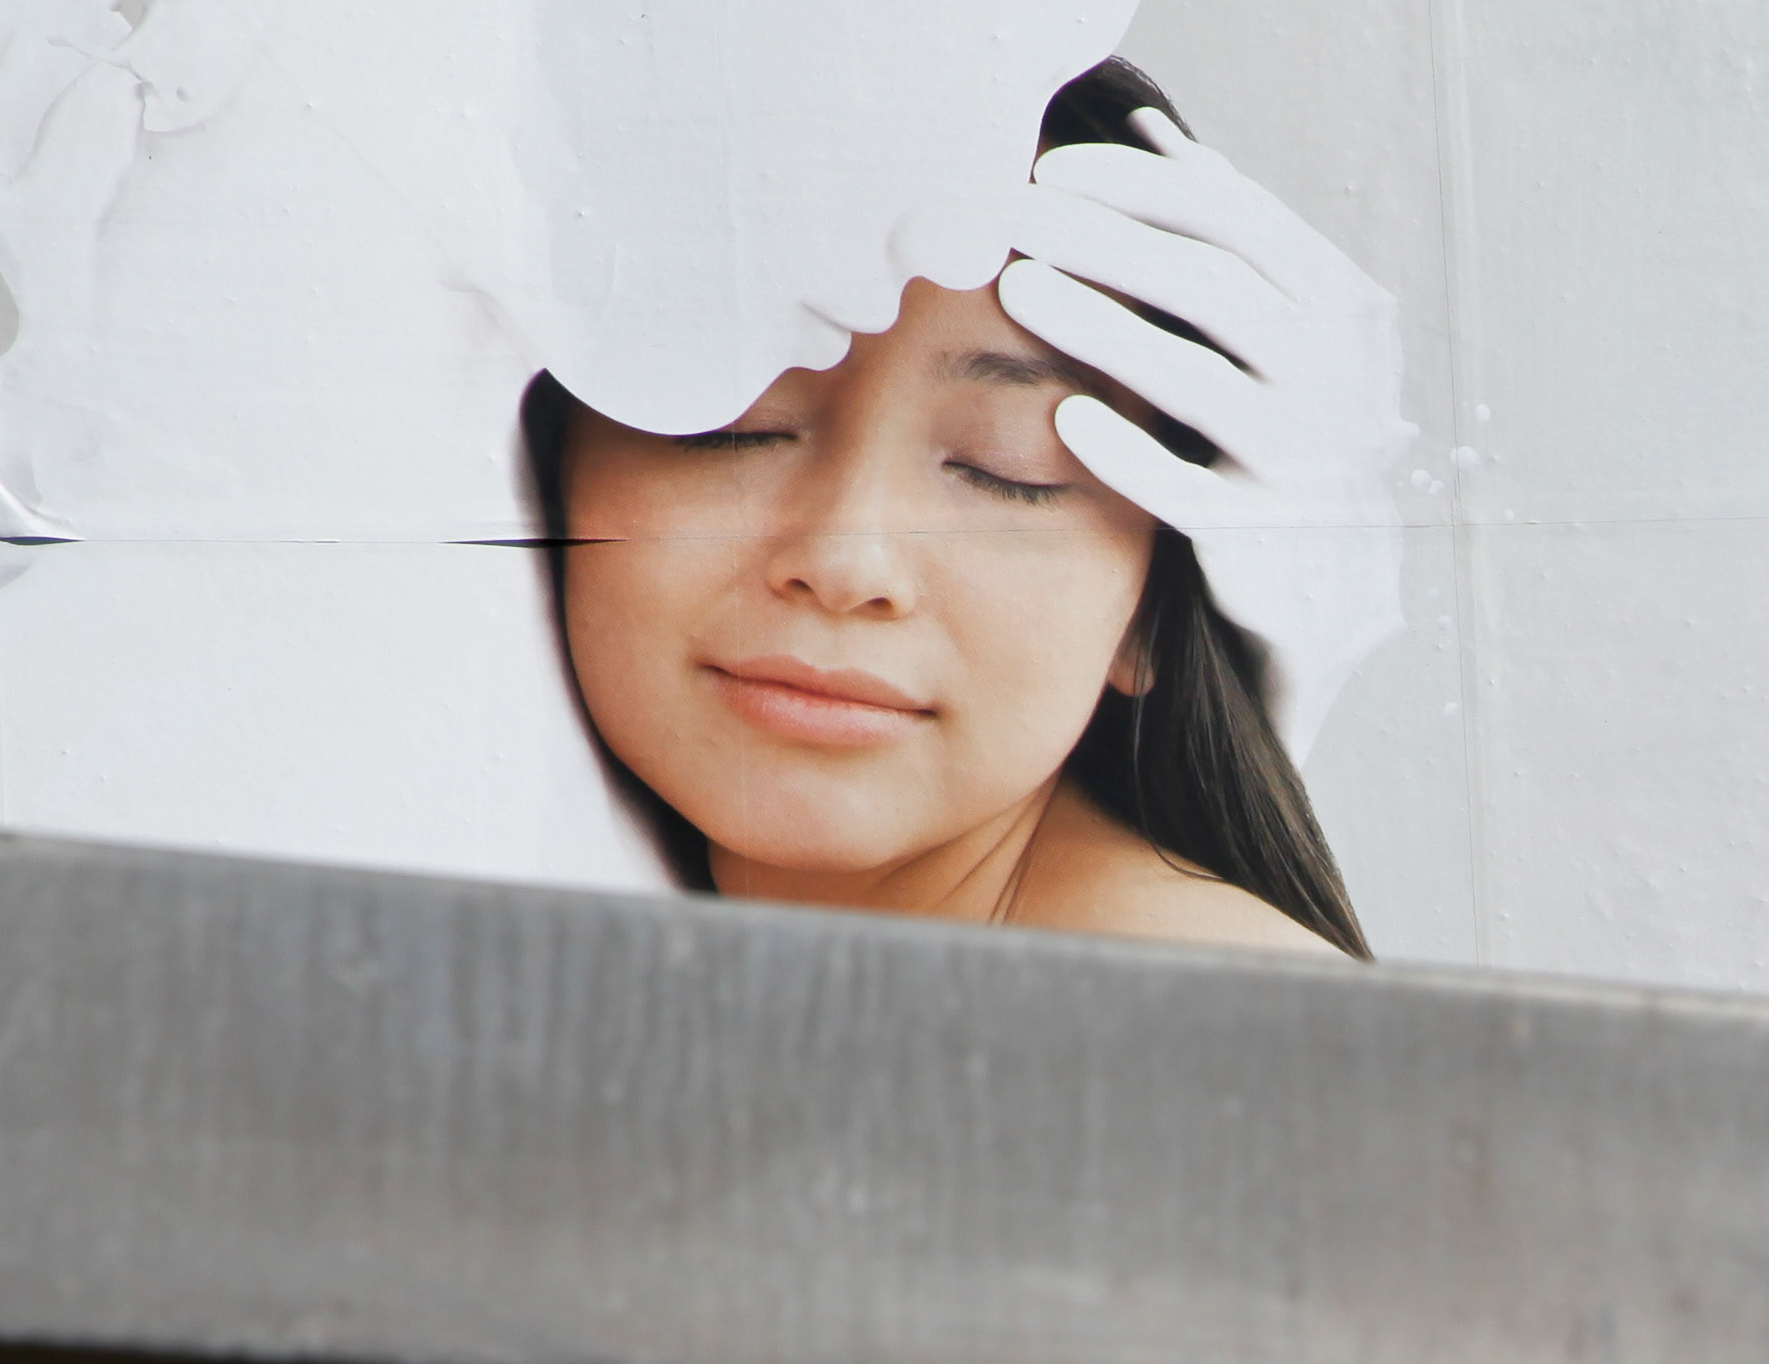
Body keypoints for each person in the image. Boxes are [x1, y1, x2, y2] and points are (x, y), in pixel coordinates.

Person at [522, 63, 1388, 957]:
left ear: (1151, 615)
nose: (846, 560)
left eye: (1003, 469)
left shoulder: (1193, 1004)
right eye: (738, 427)